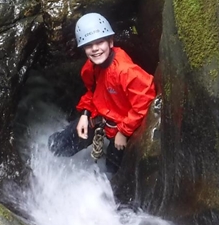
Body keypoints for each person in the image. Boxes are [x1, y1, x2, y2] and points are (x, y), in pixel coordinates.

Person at [49, 13, 156, 176]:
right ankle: (40, 168)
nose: (95, 49)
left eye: (100, 42)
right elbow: (93, 93)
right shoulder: (90, 68)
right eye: (89, 45)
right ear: (84, 49)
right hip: (99, 119)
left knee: (111, 172)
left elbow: (145, 100)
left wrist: (123, 132)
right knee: (59, 145)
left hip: (121, 127)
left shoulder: (126, 71)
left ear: (110, 42)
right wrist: (85, 114)